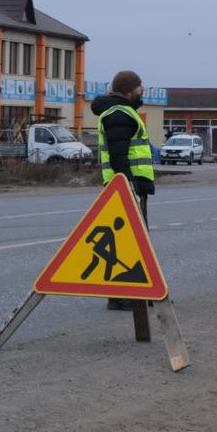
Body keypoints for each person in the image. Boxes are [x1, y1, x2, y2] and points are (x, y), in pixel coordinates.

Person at [91, 70, 156, 311]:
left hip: (128, 186)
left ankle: (134, 293)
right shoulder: (118, 113)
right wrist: (127, 185)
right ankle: (125, 296)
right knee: (131, 242)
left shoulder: (123, 111)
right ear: (129, 89)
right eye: (140, 87)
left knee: (131, 241)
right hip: (126, 187)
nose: (143, 91)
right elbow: (119, 155)